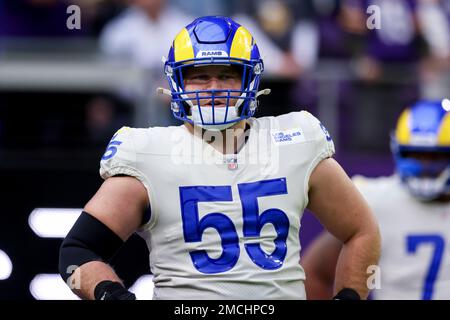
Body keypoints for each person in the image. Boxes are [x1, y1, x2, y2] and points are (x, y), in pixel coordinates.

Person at [59, 16, 380, 300]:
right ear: (177, 82)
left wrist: (350, 295)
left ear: (250, 79)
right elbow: (77, 252)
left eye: (227, 75)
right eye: (199, 76)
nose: (213, 88)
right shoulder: (148, 152)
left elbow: (361, 230)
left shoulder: (294, 140)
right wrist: (111, 294)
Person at [302, 99, 450, 300]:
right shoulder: (378, 200)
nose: (424, 166)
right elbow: (316, 273)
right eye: (415, 155)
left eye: (435, 157)